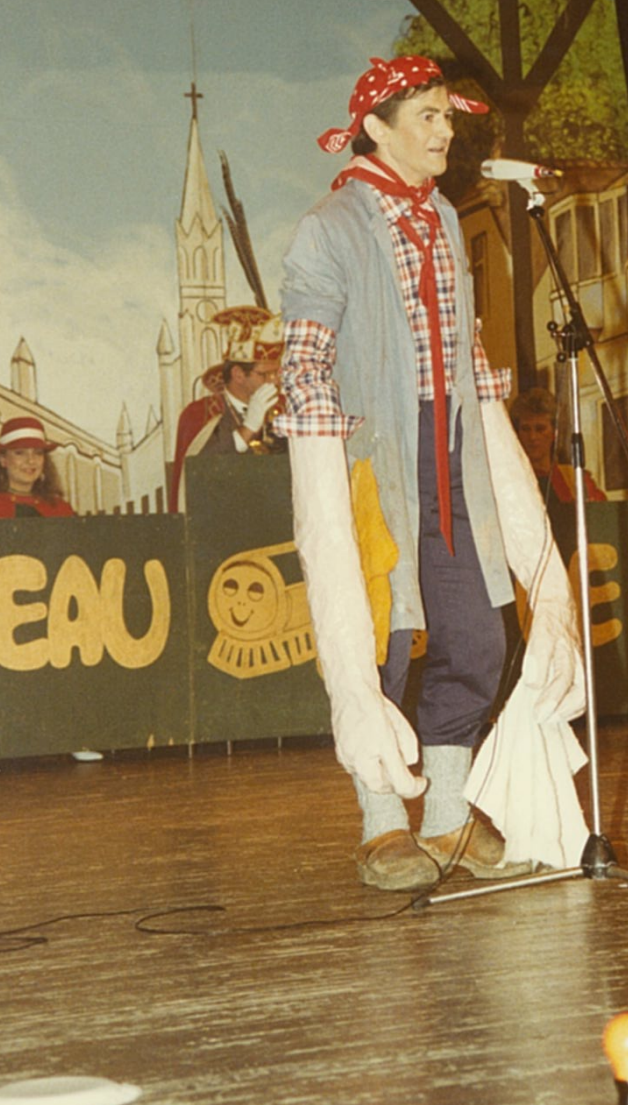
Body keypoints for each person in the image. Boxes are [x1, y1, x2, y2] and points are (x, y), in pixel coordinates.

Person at [275, 55, 584, 892]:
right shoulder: (330, 226)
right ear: (377, 128)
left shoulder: (443, 216)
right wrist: (328, 459)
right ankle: (382, 824)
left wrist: (493, 440)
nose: (446, 131)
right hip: (373, 452)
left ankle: (447, 814)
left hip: (452, 447)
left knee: (478, 633)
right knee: (376, 636)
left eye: (449, 116)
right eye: (429, 117)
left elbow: (466, 346)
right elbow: (304, 354)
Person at [169, 306, 284, 512]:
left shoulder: (284, 408)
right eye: (265, 374)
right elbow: (198, 474)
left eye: (276, 373)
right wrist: (247, 429)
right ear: (238, 375)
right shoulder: (201, 413)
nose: (274, 381)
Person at [510, 386, 606, 504]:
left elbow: (601, 511)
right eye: (525, 429)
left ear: (555, 433)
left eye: (540, 429)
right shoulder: (509, 478)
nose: (532, 437)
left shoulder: (575, 479)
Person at [0, 416, 74, 517]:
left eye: (38, 453)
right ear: (3, 460)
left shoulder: (60, 508)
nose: (31, 460)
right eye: (20, 453)